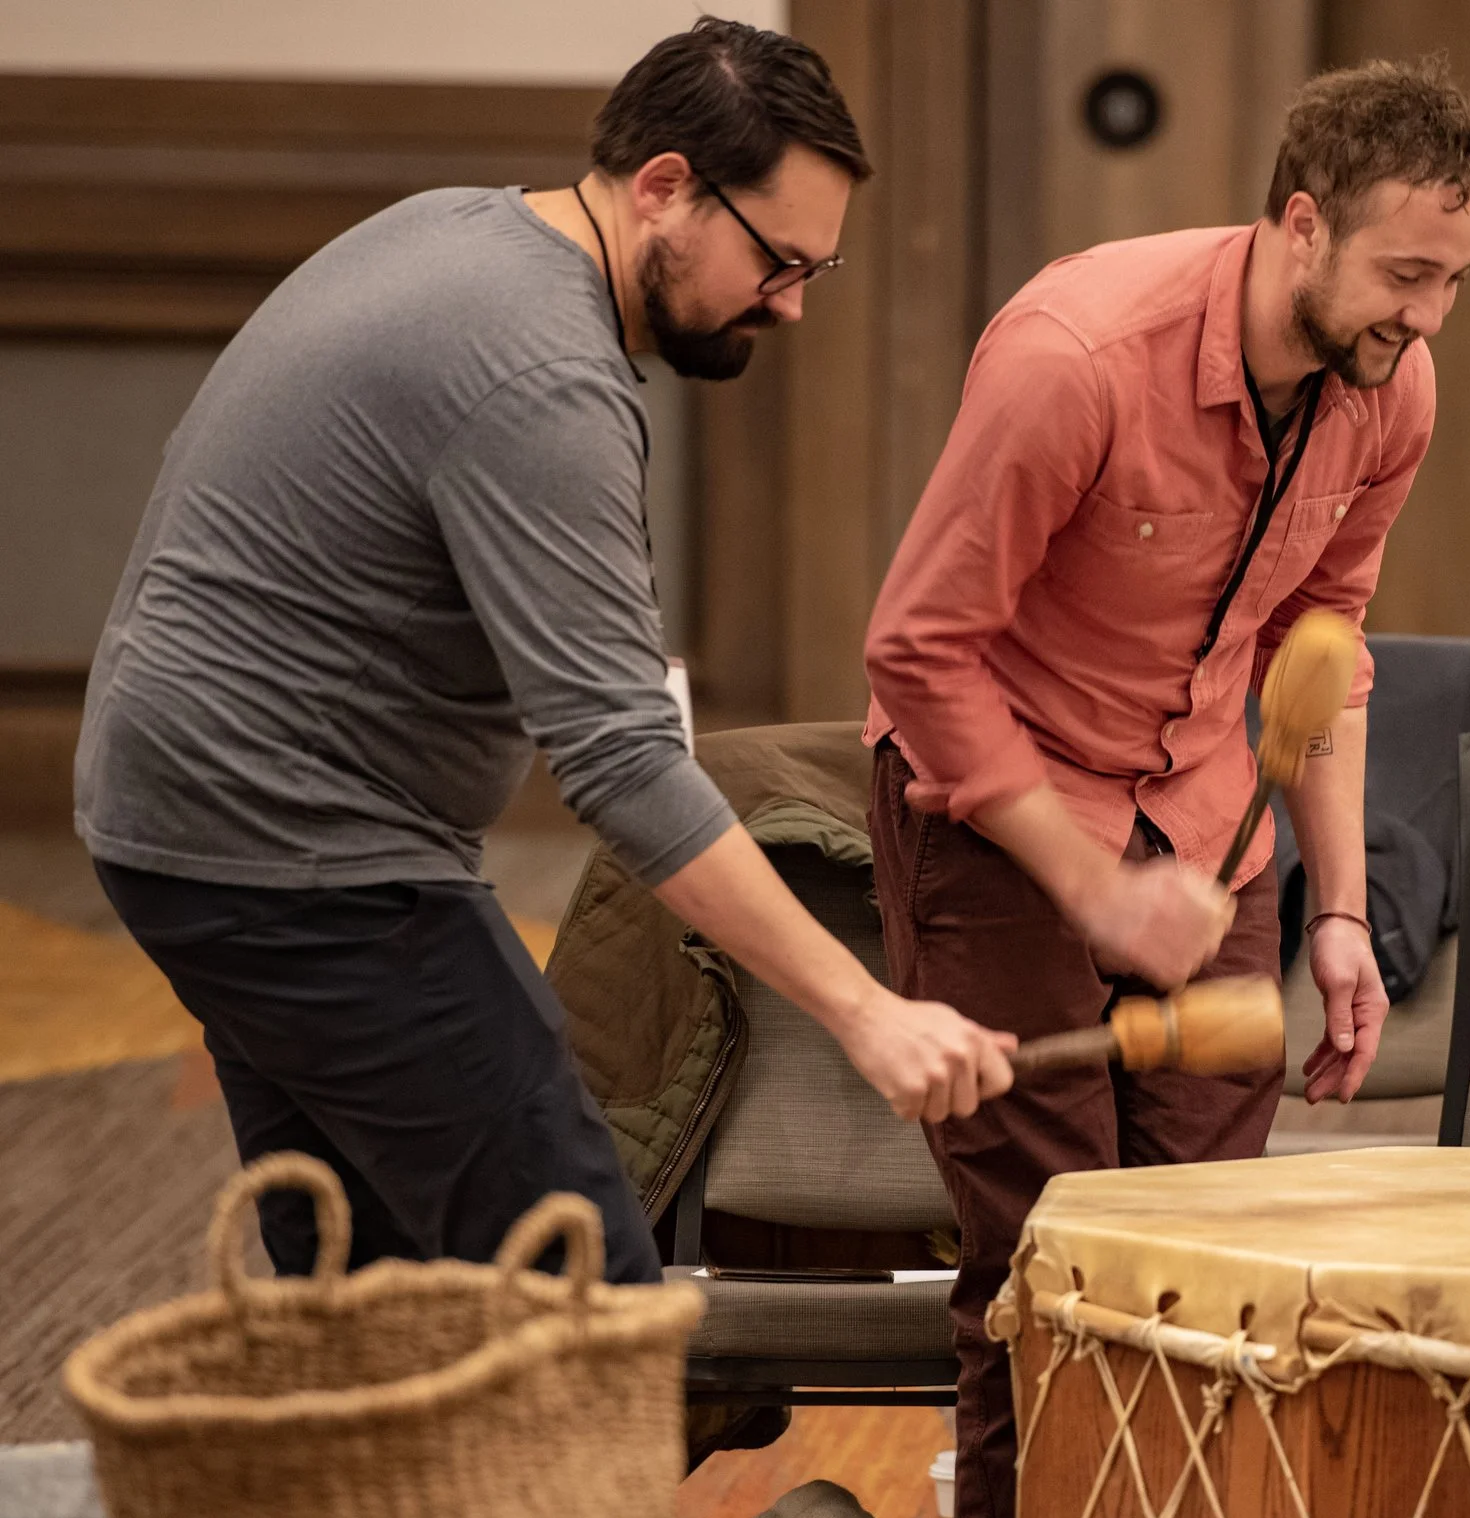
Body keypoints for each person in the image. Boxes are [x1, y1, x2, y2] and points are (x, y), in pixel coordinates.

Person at [74, 21, 1015, 1294]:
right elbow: (623, 766)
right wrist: (865, 1011)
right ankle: (584, 1502)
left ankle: (365, 1490)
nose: (791, 303)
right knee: (580, 1274)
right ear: (666, 186)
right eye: (779, 260)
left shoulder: (463, 230)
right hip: (290, 851)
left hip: (185, 816)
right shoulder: (540, 375)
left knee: (375, 1283)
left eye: (816, 266)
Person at [860, 58, 1470, 1518]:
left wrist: (1344, 909)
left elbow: (1327, 644)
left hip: (1211, 820)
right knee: (1053, 1258)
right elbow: (919, 653)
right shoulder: (1077, 359)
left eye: (1459, 281)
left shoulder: (1392, 386)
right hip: (1001, 814)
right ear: (1302, 225)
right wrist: (1086, 887)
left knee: (1212, 1258)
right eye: (1406, 274)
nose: (1430, 319)